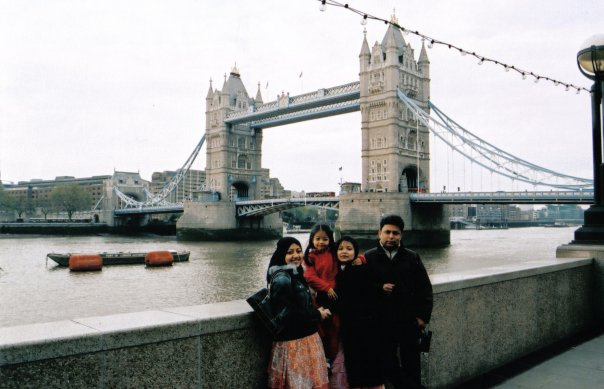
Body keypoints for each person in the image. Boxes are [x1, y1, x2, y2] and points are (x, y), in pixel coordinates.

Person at [364, 215, 433, 389]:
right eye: (387, 232)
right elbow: (360, 289)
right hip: (380, 323)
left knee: (412, 364)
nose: (391, 236)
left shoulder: (412, 257)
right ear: (379, 233)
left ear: (401, 235)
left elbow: (425, 289)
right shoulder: (368, 258)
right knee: (387, 363)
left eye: (396, 233)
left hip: (408, 322)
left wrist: (423, 317)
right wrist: (379, 288)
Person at [266, 237, 332, 389]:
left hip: (305, 340)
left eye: (299, 251)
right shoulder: (283, 279)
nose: (296, 255)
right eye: (290, 252)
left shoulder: (295, 273)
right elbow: (288, 316)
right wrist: (317, 315)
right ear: (281, 255)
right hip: (294, 344)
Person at [334, 236, 385, 389]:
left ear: (356, 252)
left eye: (349, 249)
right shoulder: (338, 270)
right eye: (341, 248)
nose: (344, 252)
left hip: (362, 326)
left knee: (363, 365)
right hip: (349, 326)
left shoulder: (359, 270)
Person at [302, 224, 341, 365]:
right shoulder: (310, 257)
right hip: (321, 298)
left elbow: (350, 252)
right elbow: (309, 276)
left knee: (336, 327)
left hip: (336, 296)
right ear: (312, 239)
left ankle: (333, 359)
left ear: (330, 239)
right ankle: (324, 360)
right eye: (317, 238)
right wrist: (327, 288)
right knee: (321, 330)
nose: (321, 242)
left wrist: (359, 259)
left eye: (324, 239)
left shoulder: (334, 252)